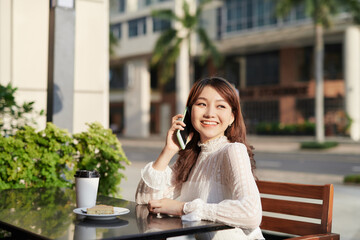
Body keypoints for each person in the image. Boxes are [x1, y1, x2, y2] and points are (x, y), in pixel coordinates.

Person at [135, 77, 264, 240]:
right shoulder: (192, 157)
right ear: (188, 113)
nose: (210, 113)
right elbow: (145, 200)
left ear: (232, 117)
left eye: (221, 106)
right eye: (201, 104)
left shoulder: (232, 150)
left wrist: (184, 208)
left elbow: (251, 214)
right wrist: (169, 150)